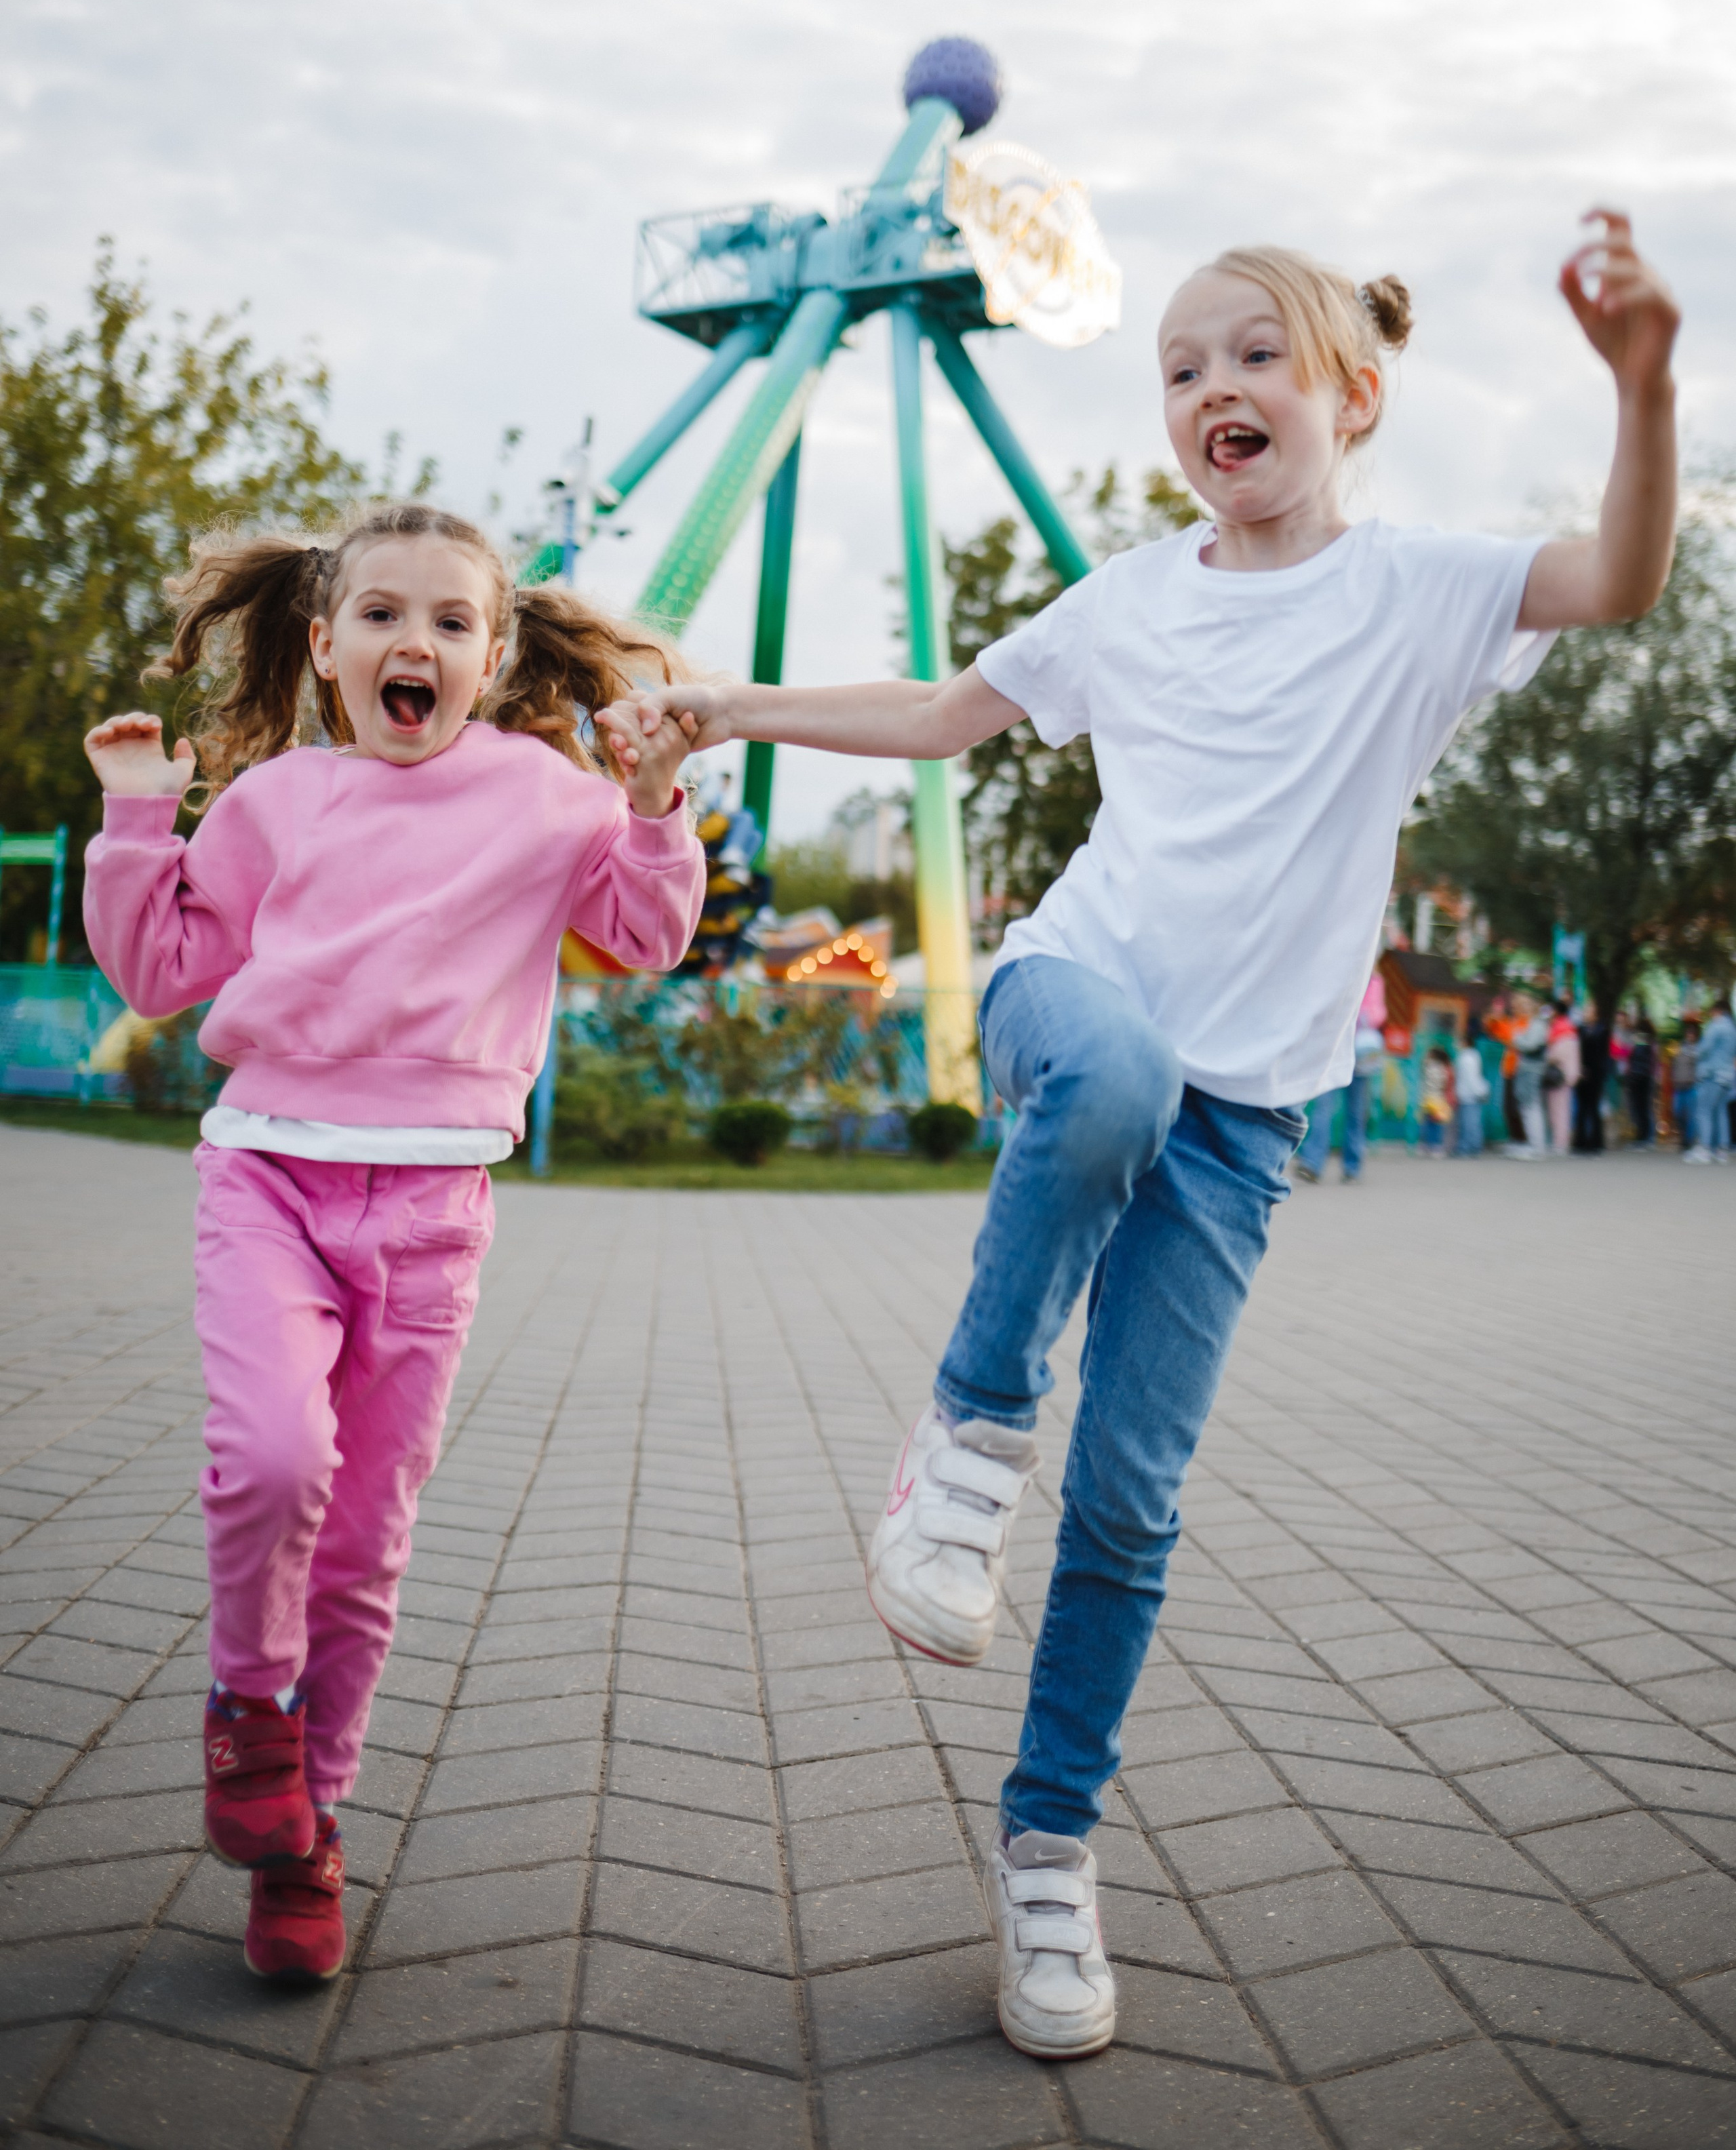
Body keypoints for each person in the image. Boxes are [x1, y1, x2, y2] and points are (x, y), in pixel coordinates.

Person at [608, 210, 1678, 2060]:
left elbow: (1624, 580)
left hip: (1246, 1116)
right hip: (1074, 995)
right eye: (1180, 369)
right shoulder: (1129, 599)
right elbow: (946, 719)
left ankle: (1047, 1852)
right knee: (1110, 1082)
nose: (1211, 392)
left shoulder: (1424, 592)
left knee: (1132, 1506)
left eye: (1252, 357)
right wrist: (728, 708)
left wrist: (1646, 386)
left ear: (1351, 396)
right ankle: (965, 1440)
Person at [81, 504, 704, 1985]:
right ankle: (249, 1714)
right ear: (325, 643)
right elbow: (165, 967)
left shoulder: (546, 804)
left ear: (489, 662)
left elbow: (643, 931)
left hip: (432, 1212)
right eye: (379, 616)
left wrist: (658, 799)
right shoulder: (276, 803)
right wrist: (131, 822)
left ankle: (308, 1834)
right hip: (270, 1185)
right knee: (274, 1464)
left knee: (362, 1540)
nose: (409, 643)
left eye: (446, 622)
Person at [1295, 969, 1385, 1182]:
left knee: (1354, 1111)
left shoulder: (1374, 980)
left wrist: (1359, 1015)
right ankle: (1312, 1164)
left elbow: (1378, 1015)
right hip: (1335, 1052)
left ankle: (1352, 1166)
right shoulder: (1342, 971)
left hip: (1359, 1055)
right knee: (1324, 1109)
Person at [1696, 996, 1736, 1161]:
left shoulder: (1717, 1026)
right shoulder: (1732, 1029)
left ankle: (1705, 1148)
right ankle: (1722, 1149)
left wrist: (1696, 1054)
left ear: (1717, 1011)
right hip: (1727, 1076)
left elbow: (1704, 1049)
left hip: (1713, 1074)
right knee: (1721, 1111)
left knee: (1704, 1110)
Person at [1510, 992, 1550, 1156]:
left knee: (1531, 1106)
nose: (1523, 1008)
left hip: (1532, 1068)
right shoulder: (1532, 1023)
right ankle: (1533, 1144)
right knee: (1527, 1106)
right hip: (1527, 1067)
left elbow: (1531, 1045)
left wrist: (1518, 1039)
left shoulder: (1538, 1024)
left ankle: (1537, 1146)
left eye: (1526, 1004)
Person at [1544, 1000, 1581, 1155]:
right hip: (1565, 1075)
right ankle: (1559, 1142)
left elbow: (1557, 1054)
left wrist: (1547, 1056)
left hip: (1559, 1075)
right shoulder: (1569, 1028)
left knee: (1560, 1110)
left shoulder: (1562, 1029)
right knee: (1560, 1109)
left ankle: (1560, 1143)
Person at [1573, 1005, 1610, 1153]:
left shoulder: (1603, 1031)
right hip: (1582, 1073)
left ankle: (1596, 1143)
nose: (1585, 1013)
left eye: (1588, 1010)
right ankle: (1580, 1142)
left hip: (1596, 1074)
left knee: (1594, 1108)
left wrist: (1595, 1071)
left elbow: (1602, 1055)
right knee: (1582, 1109)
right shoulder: (1581, 1030)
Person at [1453, 1022, 1489, 1156]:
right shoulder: (1471, 1056)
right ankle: (1470, 1147)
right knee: (1470, 1123)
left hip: (1470, 1096)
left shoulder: (1467, 1058)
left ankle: (1469, 1148)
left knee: (1470, 1124)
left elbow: (1472, 1078)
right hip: (1469, 1095)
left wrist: (1478, 1092)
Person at [1624, 1014, 1657, 1148]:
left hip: (1637, 1077)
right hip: (1648, 1077)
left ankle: (1643, 1137)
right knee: (1646, 1107)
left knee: (1638, 1108)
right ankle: (1649, 1137)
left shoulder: (1638, 1040)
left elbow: (1631, 1055)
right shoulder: (1652, 1041)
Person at [1674, 1018, 1704, 1159]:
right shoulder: (1681, 1047)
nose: (1690, 1036)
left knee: (1692, 1116)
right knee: (1678, 1112)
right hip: (1679, 1085)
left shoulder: (1700, 1049)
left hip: (1692, 1086)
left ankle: (1688, 1141)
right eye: (1688, 1033)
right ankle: (1684, 1137)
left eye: (1692, 1033)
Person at [1419, 1044, 1455, 1152]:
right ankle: (1435, 1145)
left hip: (1430, 1098)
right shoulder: (1443, 1067)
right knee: (1435, 1124)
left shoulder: (1430, 1066)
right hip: (1438, 1098)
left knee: (1429, 1123)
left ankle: (1429, 1144)